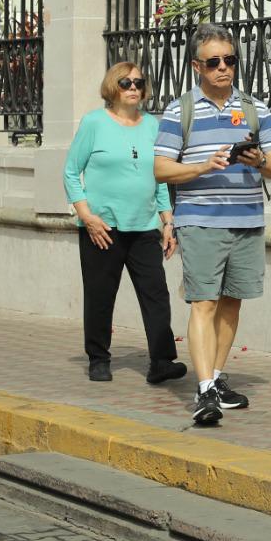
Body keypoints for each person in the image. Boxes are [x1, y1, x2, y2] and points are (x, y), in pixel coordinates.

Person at [154, 23, 271, 427]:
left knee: (232, 302)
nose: (223, 68)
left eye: (229, 60)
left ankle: (213, 379)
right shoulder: (179, 111)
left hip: (247, 220)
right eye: (214, 62)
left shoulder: (255, 109)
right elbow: (160, 169)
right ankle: (204, 389)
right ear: (197, 66)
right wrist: (202, 166)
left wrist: (259, 161)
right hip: (200, 221)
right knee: (204, 302)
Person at [65, 61, 186, 385]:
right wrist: (86, 216)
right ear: (112, 87)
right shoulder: (94, 123)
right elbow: (71, 172)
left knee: (156, 294)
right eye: (125, 83)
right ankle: (98, 358)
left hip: (144, 226)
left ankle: (162, 361)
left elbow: (159, 177)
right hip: (102, 228)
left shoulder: (152, 126)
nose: (133, 88)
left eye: (138, 83)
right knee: (100, 296)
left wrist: (167, 221)